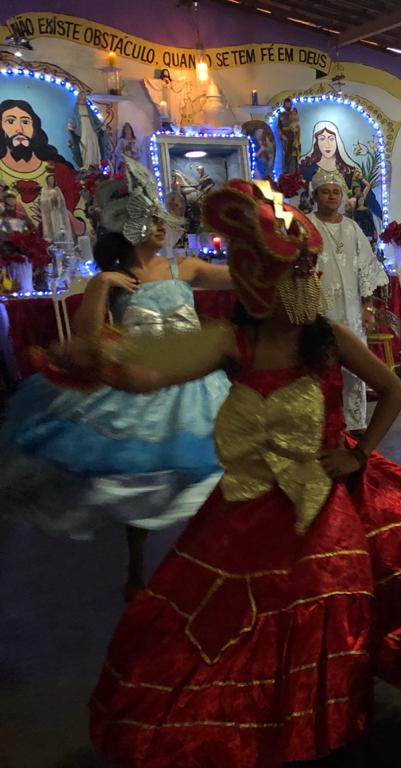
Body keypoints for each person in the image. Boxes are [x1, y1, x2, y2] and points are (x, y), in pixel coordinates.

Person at [85, 179, 401, 767]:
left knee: (328, 597)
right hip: (250, 499)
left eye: (305, 276)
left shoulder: (329, 338)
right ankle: (266, 728)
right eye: (295, 276)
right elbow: (142, 376)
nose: (306, 286)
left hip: (327, 493)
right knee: (232, 619)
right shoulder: (232, 342)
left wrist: (360, 453)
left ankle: (327, 726)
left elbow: (392, 389)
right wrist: (93, 329)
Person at [0, 159, 232, 598]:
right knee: (138, 480)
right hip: (139, 381)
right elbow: (86, 339)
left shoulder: (185, 267)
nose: (160, 227)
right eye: (151, 220)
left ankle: (212, 563)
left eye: (162, 220)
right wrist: (103, 284)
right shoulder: (112, 279)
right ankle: (137, 566)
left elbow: (245, 278)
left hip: (196, 381)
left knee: (216, 478)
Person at [307, 167, 389, 433]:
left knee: (355, 370)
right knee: (319, 369)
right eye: (325, 192)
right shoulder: (305, 226)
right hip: (319, 312)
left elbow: (367, 269)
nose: (331, 196)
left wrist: (368, 308)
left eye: (336, 192)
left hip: (353, 312)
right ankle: (322, 426)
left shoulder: (352, 228)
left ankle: (355, 425)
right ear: (315, 196)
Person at [0, 99, 86, 235]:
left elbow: (85, 228)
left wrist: (63, 216)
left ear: (34, 129)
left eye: (25, 122)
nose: (19, 129)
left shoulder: (60, 171)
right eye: (10, 121)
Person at [39, 168, 73, 243]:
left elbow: (62, 201)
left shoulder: (57, 189)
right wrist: (50, 199)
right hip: (50, 213)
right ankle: (52, 239)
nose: (52, 180)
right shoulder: (44, 190)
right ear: (47, 180)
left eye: (53, 179)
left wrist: (57, 199)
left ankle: (62, 238)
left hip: (58, 211)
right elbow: (43, 201)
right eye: (50, 179)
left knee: (60, 224)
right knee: (52, 225)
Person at [277, 97, 301, 175]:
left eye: (289, 104)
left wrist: (296, 132)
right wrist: (282, 135)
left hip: (293, 137)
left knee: (294, 155)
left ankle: (295, 172)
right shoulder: (281, 115)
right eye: (286, 104)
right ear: (284, 105)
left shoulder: (294, 114)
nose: (288, 105)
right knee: (286, 154)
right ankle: (286, 171)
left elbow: (297, 125)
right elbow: (279, 127)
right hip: (286, 138)